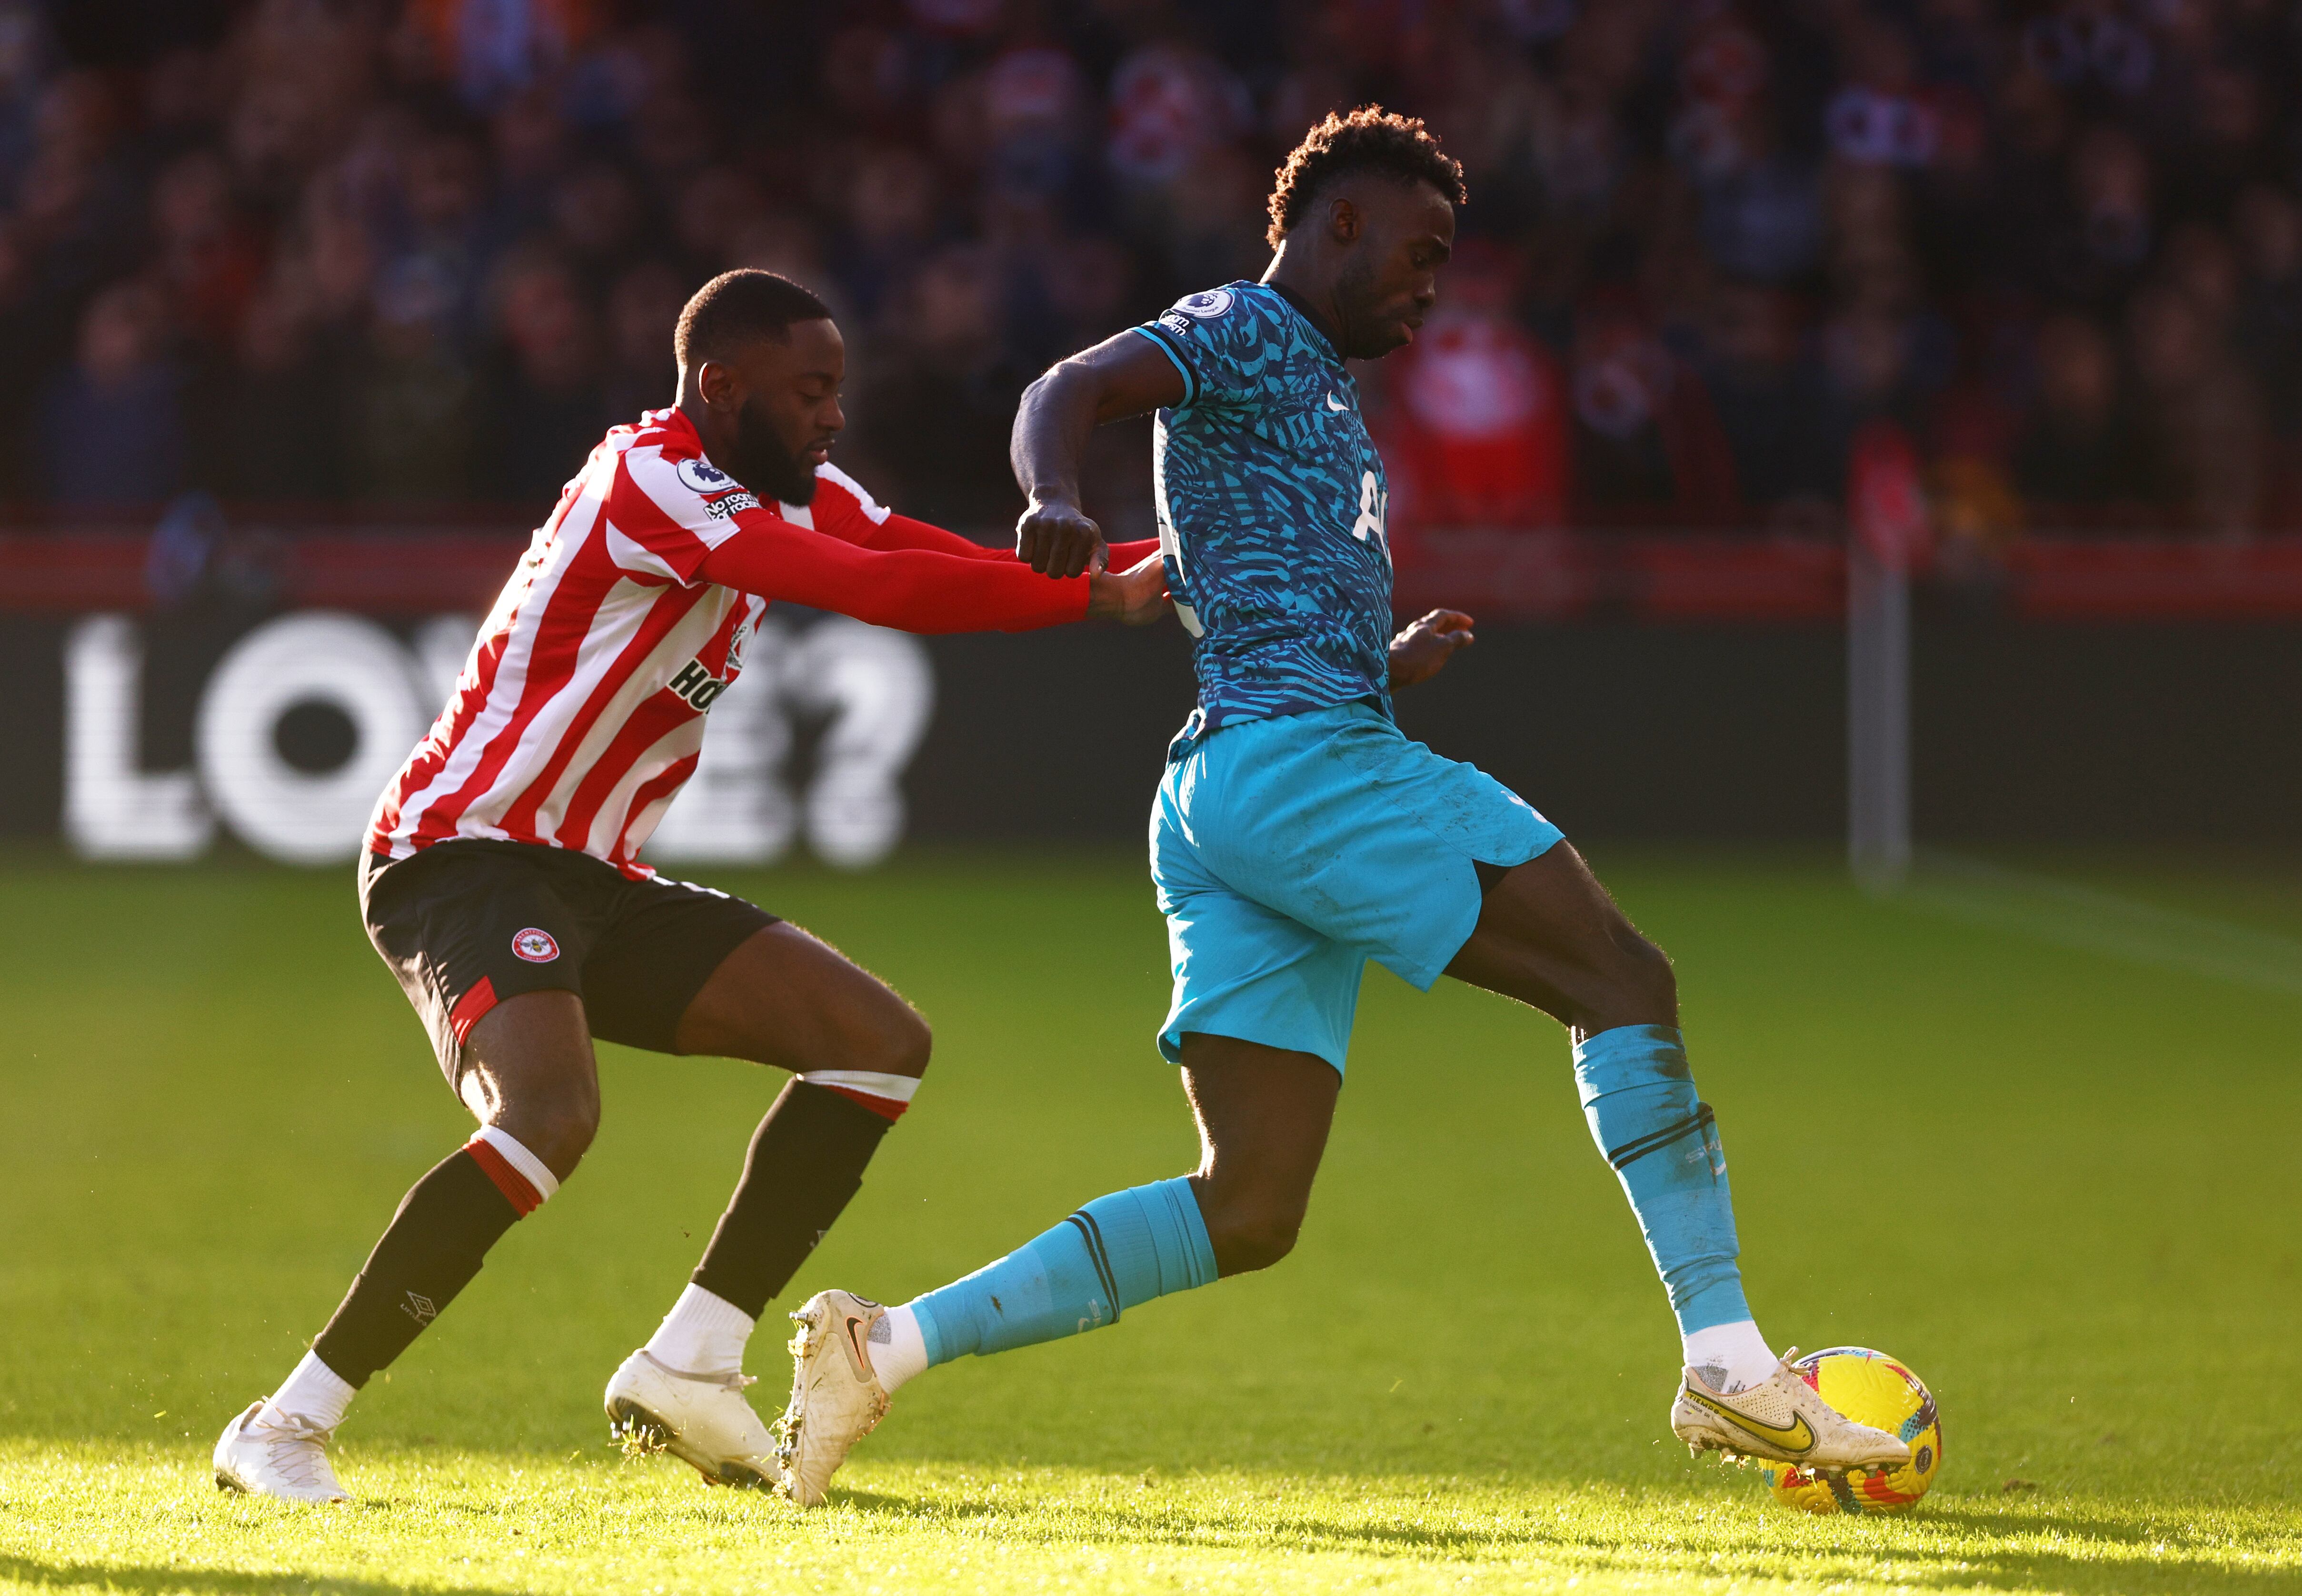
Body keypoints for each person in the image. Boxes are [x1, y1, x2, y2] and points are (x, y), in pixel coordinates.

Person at [769, 110, 1910, 1506]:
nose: (1431, 286)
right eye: (1420, 253)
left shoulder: (1320, 387)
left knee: (1246, 1205)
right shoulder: (1243, 328)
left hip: (1226, 787)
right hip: (1302, 766)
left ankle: (879, 1349)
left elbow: (1257, 582)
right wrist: (1054, 499)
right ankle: (1727, 1358)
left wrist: (1380, 660)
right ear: (1340, 226)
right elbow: (1062, 387)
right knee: (1623, 979)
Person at [210, 268, 1167, 1504]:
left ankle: (692, 1361)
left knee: (875, 1044)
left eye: (839, 389)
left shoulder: (784, 482)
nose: (833, 416)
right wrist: (1091, 597)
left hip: (593, 873)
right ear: (722, 387)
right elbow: (873, 587)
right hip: (463, 852)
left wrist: (1159, 560)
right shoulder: (652, 479)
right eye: (810, 391)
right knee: (548, 1116)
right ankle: (283, 1424)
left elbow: (894, 542)